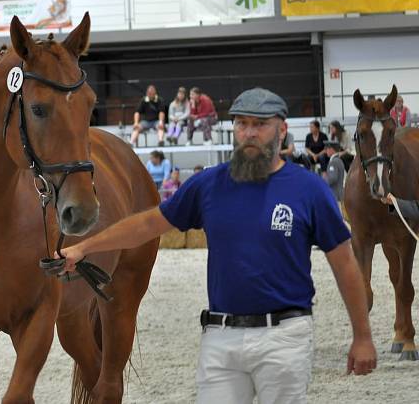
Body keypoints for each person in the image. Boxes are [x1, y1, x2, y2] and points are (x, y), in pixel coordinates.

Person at [59, 87, 376, 403]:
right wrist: (85, 247)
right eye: (241, 124)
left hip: (284, 337)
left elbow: (345, 264)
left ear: (281, 130)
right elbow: (146, 224)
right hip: (221, 337)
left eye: (259, 124)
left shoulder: (309, 190)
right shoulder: (209, 185)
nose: (249, 133)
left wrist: (362, 336)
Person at [322, 141, 345, 210]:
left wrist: (323, 180)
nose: (326, 151)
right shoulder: (339, 160)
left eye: (327, 149)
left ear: (332, 149)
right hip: (338, 195)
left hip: (335, 196)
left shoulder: (333, 162)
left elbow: (332, 178)